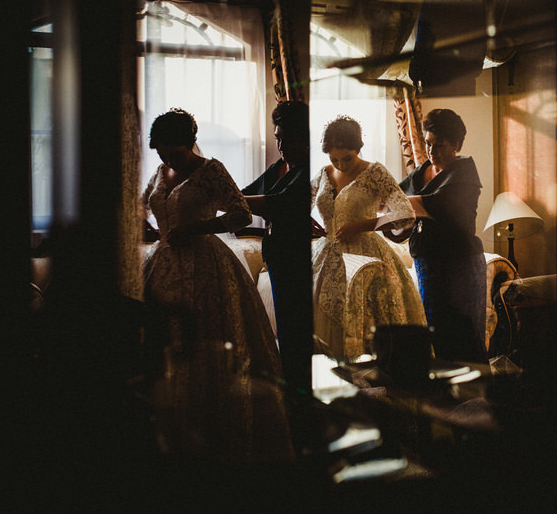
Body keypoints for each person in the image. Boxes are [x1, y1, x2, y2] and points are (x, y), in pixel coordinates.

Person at [140, 108, 292, 462]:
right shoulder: (161, 172)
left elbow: (240, 213)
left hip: (206, 264)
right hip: (164, 262)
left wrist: (195, 228)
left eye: (173, 152)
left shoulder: (211, 171)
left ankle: (216, 433)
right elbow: (142, 207)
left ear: (190, 144)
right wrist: (147, 228)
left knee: (209, 342)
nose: (166, 158)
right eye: (160, 152)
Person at [311, 116, 426, 360]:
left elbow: (405, 213)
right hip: (327, 255)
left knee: (368, 326)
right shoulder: (323, 173)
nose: (340, 165)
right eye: (334, 159)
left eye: (347, 158)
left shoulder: (375, 172)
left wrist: (364, 225)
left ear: (358, 149)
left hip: (366, 256)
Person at [385, 108, 488, 363]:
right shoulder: (422, 171)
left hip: (459, 264)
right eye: (428, 143)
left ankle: (475, 397)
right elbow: (392, 195)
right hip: (428, 264)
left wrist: (393, 205)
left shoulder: (464, 173)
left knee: (464, 335)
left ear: (456, 144)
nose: (431, 151)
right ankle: (448, 395)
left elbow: (432, 204)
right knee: (437, 331)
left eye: (439, 145)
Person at [241, 101, 319, 397]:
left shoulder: (309, 171)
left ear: (304, 136)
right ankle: (291, 388)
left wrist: (231, 199)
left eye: (287, 137)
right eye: (278, 138)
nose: (281, 144)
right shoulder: (279, 167)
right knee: (286, 329)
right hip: (276, 253)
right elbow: (247, 193)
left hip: (298, 257)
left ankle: (299, 393)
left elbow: (274, 204)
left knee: (296, 330)